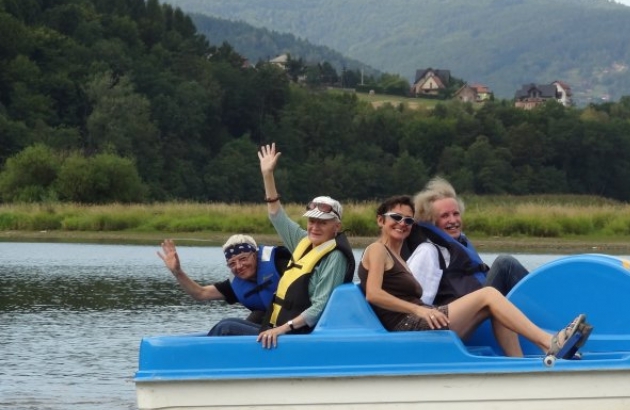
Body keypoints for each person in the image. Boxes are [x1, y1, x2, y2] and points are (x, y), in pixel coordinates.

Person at [358, 195, 587, 358]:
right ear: (381, 220)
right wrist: (420, 310)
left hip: (421, 321)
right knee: (488, 294)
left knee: (495, 305)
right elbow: (373, 294)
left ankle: (517, 365)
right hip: (407, 326)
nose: (402, 224)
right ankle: (549, 342)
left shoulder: (399, 258)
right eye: (396, 217)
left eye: (408, 220)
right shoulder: (378, 249)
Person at [256, 142, 355, 349]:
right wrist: (268, 175)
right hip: (279, 330)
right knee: (228, 325)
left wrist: (281, 329)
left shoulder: (335, 257)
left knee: (226, 329)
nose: (315, 227)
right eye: (312, 221)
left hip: (297, 336)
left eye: (323, 222)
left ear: (336, 227)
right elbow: (276, 215)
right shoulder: (303, 241)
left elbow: (319, 308)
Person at [406, 177, 529, 306]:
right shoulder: (428, 251)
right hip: (467, 316)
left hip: (484, 304)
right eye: (445, 216)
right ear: (431, 221)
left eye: (456, 213)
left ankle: (541, 312)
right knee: (505, 264)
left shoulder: (460, 243)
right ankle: (547, 310)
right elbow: (416, 301)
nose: (453, 220)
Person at [157, 234, 290, 336]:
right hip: (271, 330)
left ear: (255, 255)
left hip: (294, 327)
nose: (239, 266)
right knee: (232, 323)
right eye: (232, 263)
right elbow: (201, 293)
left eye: (243, 259)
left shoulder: (281, 263)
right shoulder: (236, 285)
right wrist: (177, 272)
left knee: (226, 327)